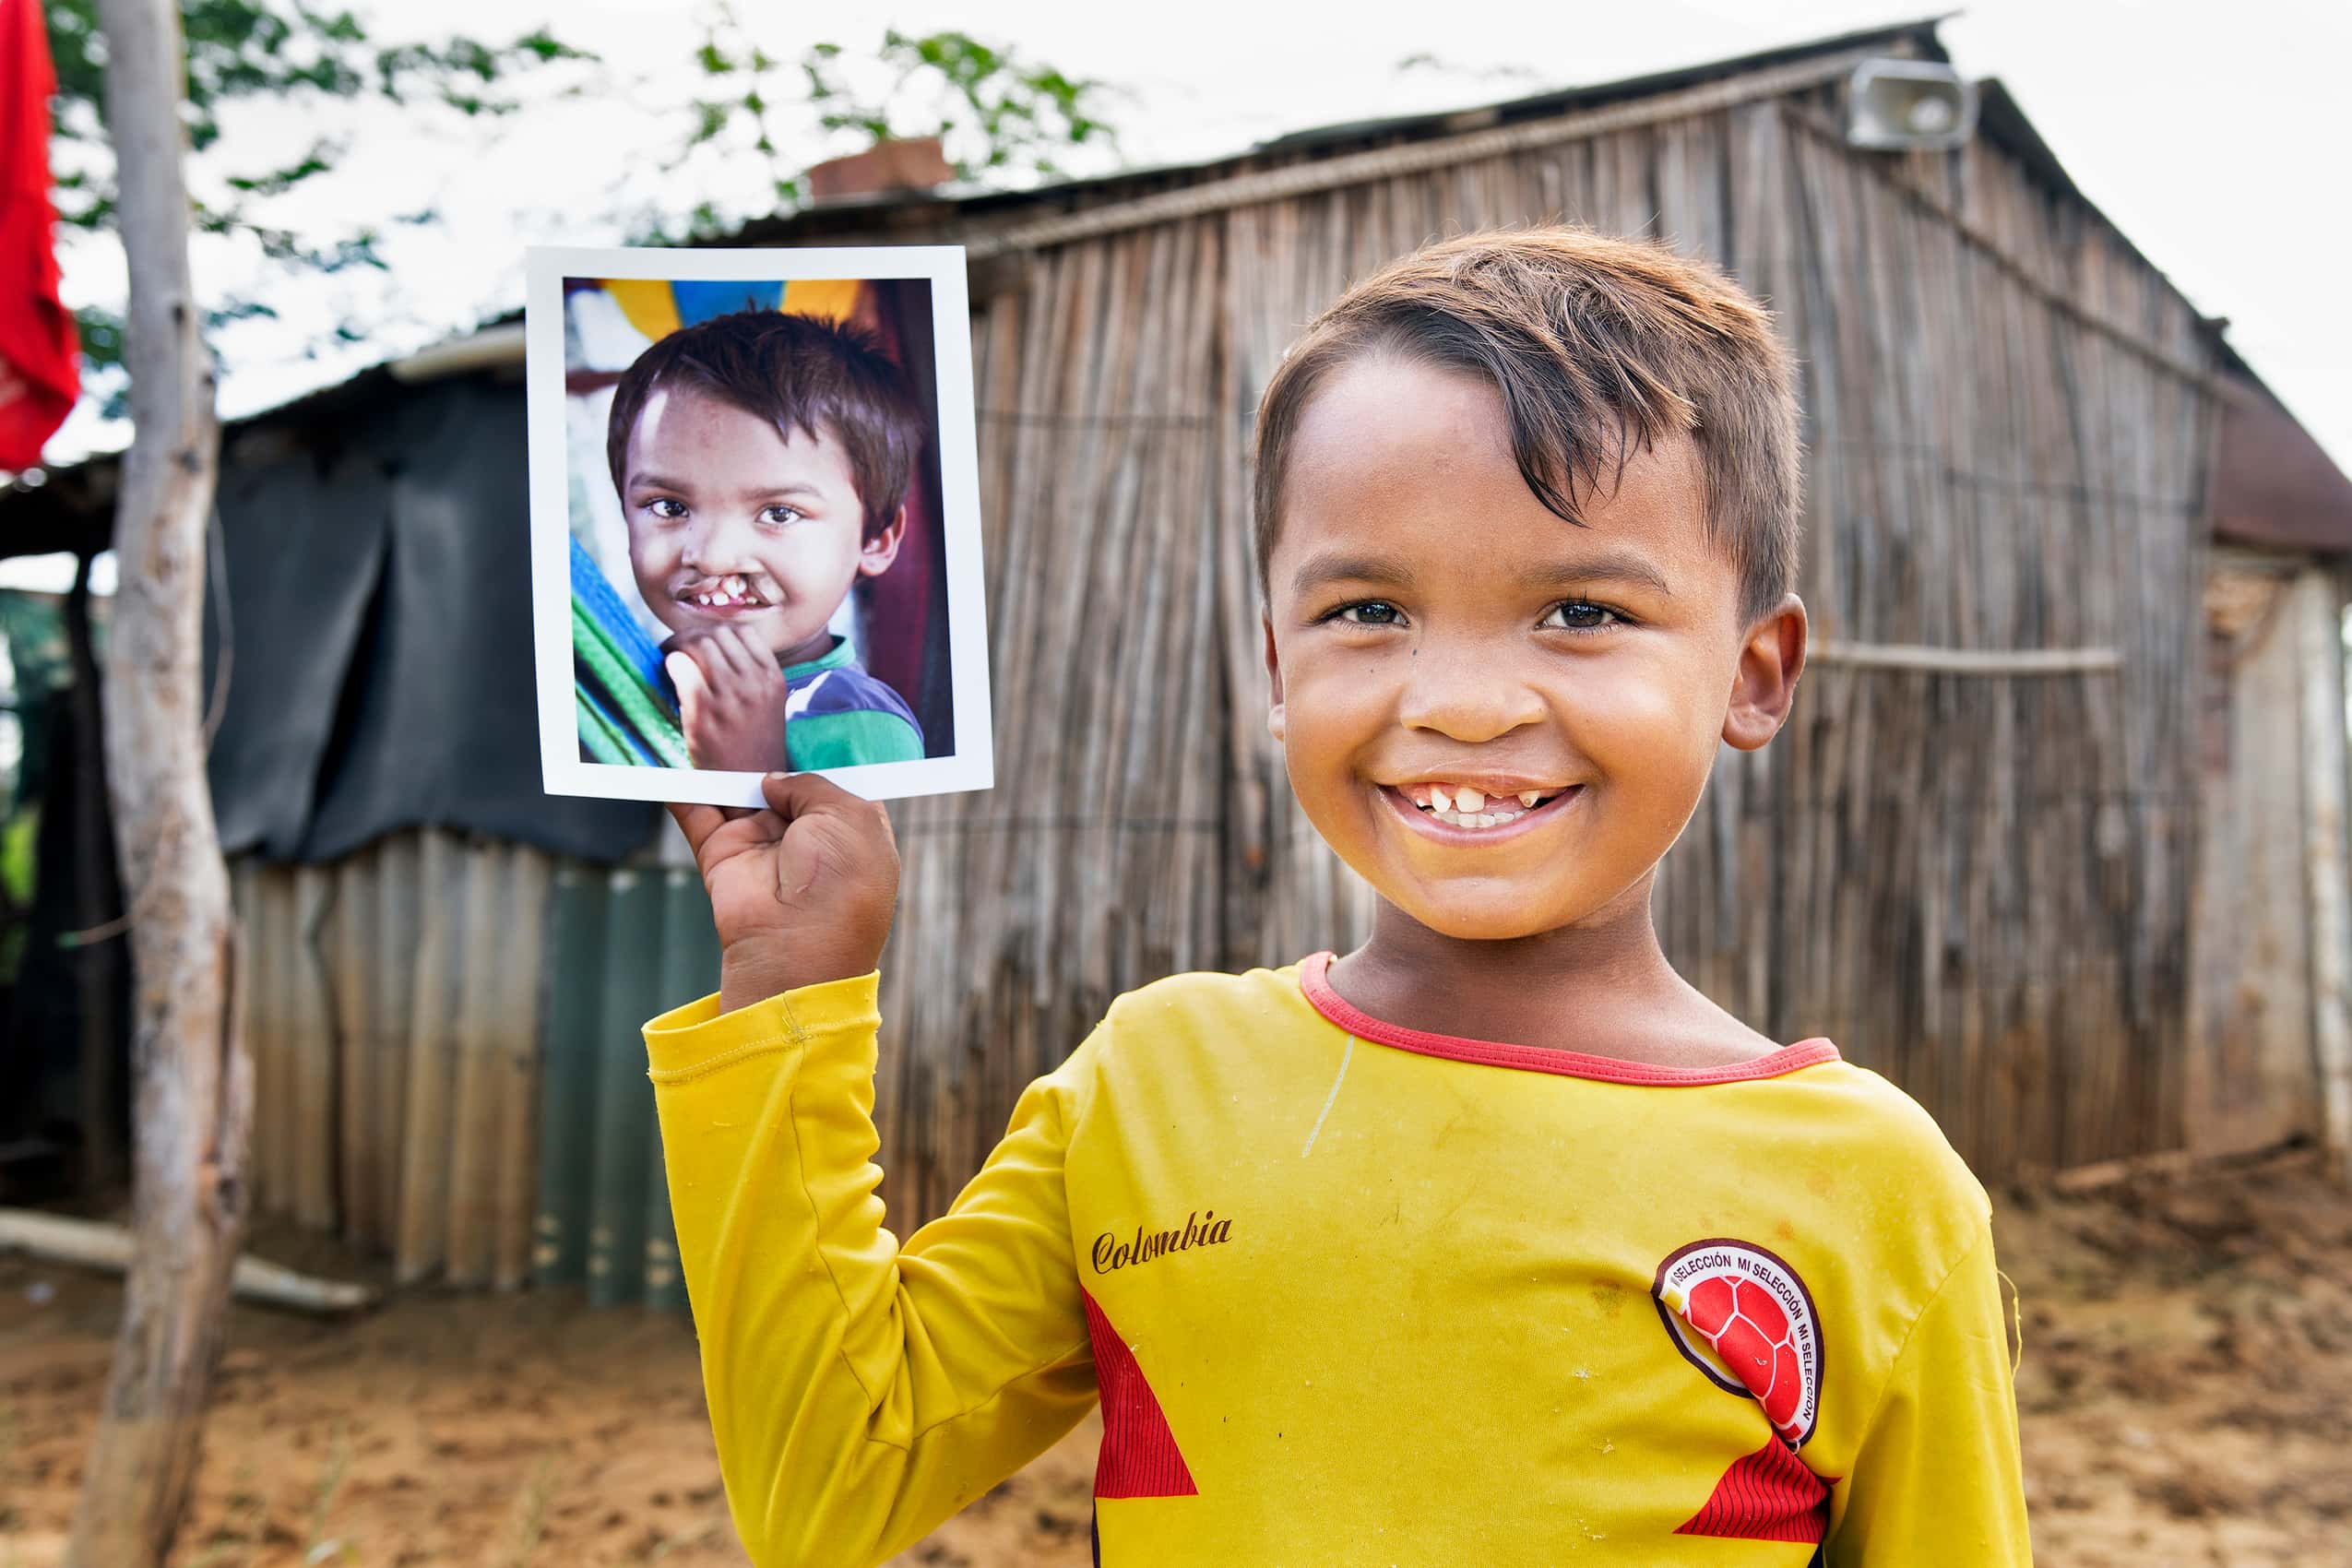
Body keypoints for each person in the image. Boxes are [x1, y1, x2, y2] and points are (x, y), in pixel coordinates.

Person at [645, 230, 2033, 1565]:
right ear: (1274, 662)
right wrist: (789, 998)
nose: (1464, 705)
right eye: (1367, 611)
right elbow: (824, 1482)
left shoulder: (1870, 1195)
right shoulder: (1155, 1086)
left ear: (1752, 673)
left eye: (1583, 612)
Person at [606, 307, 926, 772]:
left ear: (874, 539)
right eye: (669, 507)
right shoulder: (630, 680)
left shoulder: (863, 731)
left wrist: (752, 764)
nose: (713, 556)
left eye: (778, 513)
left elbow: (859, 847)